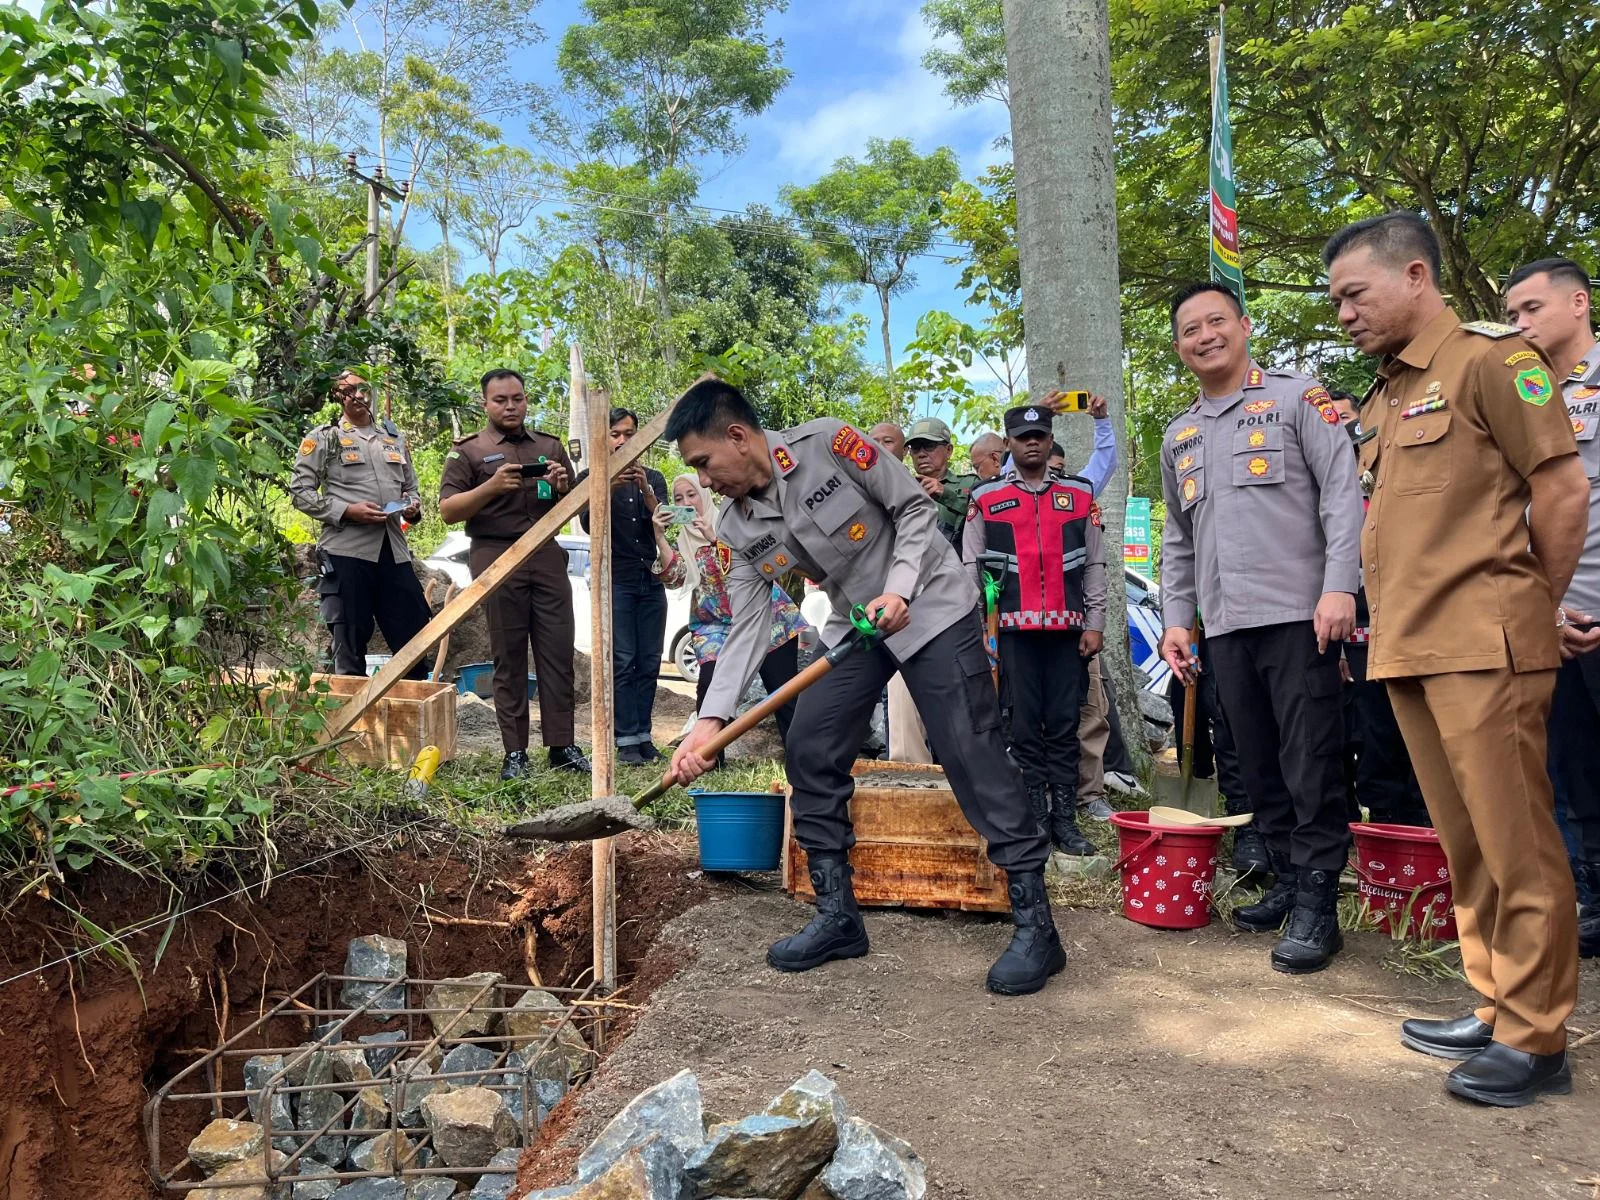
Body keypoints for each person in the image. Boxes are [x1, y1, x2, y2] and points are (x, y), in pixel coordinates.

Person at [666, 378, 1064, 996]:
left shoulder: (829, 443)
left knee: (970, 749)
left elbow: (913, 507)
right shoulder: (738, 527)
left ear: (738, 437)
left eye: (701, 463)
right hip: (860, 626)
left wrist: (900, 588)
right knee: (811, 746)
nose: (704, 479)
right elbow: (747, 625)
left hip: (931, 604)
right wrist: (708, 724)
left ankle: (1037, 925)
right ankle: (837, 915)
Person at [1325, 212, 1588, 1105]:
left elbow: (1561, 486)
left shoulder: (1490, 360)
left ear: (1413, 276)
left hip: (1487, 641)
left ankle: (1538, 1035)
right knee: (1467, 841)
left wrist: (1535, 607)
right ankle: (1495, 1000)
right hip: (1412, 646)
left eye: (1354, 295)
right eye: (1334, 302)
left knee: (1518, 844)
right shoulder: (1389, 394)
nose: (1344, 315)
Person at [1158, 281, 1362, 975]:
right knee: (1256, 764)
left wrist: (1341, 587)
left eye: (1217, 321)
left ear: (1244, 326)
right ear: (1180, 345)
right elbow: (1178, 539)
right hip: (1225, 628)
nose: (1205, 335)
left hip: (1301, 618)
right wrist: (1178, 621)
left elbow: (1342, 495)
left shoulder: (1297, 399)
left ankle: (1318, 903)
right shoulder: (1179, 433)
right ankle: (1282, 879)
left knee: (1311, 763)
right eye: (1191, 328)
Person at [1505, 255, 1600, 958]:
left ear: (1578, 304)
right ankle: (1587, 900)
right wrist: (1546, 607)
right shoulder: (1525, 395)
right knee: (1565, 770)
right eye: (1511, 314)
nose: (1520, 325)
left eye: (1531, 310)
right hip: (1552, 618)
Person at [964, 404, 1105, 856]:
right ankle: (1036, 820)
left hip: (1069, 634)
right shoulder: (984, 497)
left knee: (1064, 725)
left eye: (1039, 435)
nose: (1032, 442)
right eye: (1022, 436)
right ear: (1008, 443)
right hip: (1011, 633)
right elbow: (970, 566)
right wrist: (979, 633)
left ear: (1049, 439)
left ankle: (1066, 821)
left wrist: (1096, 623)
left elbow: (1097, 564)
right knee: (1022, 727)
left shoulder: (1080, 495)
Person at [438, 369, 588, 779]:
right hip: (495, 555)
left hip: (545, 553)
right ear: (484, 404)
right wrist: (490, 488)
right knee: (509, 656)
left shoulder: (549, 446)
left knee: (558, 653)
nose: (510, 406)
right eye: (500, 400)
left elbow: (578, 506)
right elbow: (448, 509)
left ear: (526, 400)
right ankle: (515, 753)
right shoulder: (469, 452)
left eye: (517, 399)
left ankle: (562, 745)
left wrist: (561, 487)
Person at [290, 370, 433, 678]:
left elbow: (411, 489)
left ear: (372, 392)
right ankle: (349, 723)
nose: (355, 395)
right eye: (346, 390)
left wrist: (411, 507)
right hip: (346, 553)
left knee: (416, 637)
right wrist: (348, 511)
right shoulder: (324, 438)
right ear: (337, 397)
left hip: (393, 551)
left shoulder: (393, 438)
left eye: (361, 388)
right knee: (349, 642)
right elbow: (300, 493)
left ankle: (408, 717)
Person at [662, 473, 807, 748]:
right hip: (714, 627)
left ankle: (800, 759)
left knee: (783, 694)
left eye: (691, 495)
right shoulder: (683, 542)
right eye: (678, 499)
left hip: (769, 618)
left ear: (704, 495)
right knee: (709, 687)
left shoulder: (731, 525)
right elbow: (674, 578)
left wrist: (714, 537)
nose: (686, 502)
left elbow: (750, 567)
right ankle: (708, 757)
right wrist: (659, 535)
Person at [576, 407, 672, 765]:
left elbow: (662, 521)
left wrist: (646, 490)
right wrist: (605, 487)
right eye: (615, 434)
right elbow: (587, 524)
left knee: (649, 660)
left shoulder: (654, 477)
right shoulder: (590, 476)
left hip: (650, 576)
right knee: (622, 659)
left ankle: (644, 735)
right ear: (603, 438)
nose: (622, 441)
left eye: (629, 434)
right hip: (616, 578)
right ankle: (624, 738)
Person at [868, 422, 932, 763]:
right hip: (884, 607)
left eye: (887, 441)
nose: (878, 446)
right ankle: (909, 769)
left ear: (903, 450)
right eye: (872, 441)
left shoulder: (921, 488)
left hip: (936, 600)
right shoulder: (859, 489)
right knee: (898, 689)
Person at [907, 416, 980, 550]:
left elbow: (985, 519)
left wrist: (946, 495)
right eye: (916, 448)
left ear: (949, 450)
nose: (921, 454)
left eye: (929, 446)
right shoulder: (903, 489)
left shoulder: (970, 483)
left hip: (959, 564)